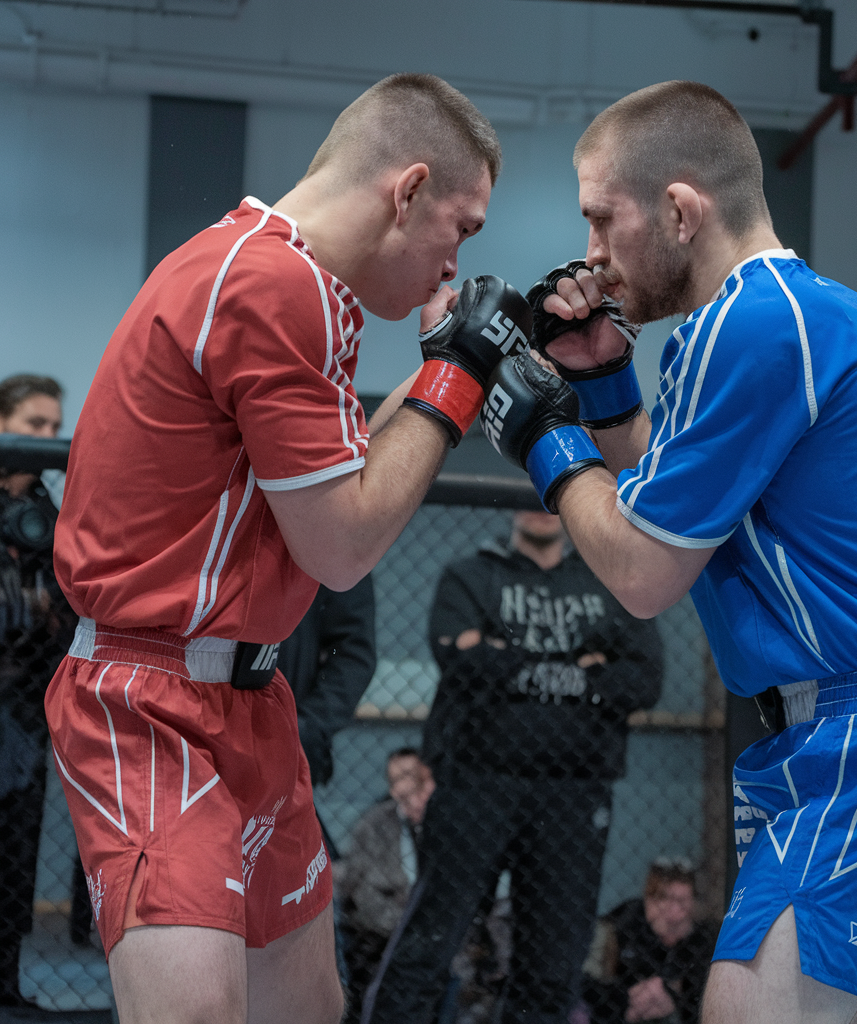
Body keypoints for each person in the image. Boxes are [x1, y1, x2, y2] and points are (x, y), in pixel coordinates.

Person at [482, 81, 857, 1024]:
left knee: (746, 1010)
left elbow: (642, 571)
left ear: (680, 210)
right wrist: (598, 385)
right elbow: (682, 511)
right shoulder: (822, 314)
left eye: (603, 218)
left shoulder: (746, 324)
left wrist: (540, 441)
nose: (592, 252)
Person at [44, 72, 533, 1024]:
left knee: (306, 1012)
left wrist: (445, 368)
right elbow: (343, 546)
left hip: (249, 700)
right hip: (151, 701)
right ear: (407, 190)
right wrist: (459, 377)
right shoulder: (275, 284)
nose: (455, 264)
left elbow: (341, 486)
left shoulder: (294, 283)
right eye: (462, 227)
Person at [365, 510, 664, 1024]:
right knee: (430, 944)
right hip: (475, 784)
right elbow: (459, 658)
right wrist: (583, 668)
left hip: (575, 794)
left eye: (548, 494)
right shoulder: (470, 574)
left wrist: (506, 659)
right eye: (525, 490)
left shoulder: (606, 578)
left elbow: (643, 679)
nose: (538, 505)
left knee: (553, 963)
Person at [0, 374, 76, 1007]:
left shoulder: (52, 519)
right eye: (33, 424)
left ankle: (6, 985)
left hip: (25, 707)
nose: (46, 437)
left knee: (15, 856)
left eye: (54, 426)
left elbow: (70, 615)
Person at [337, 748, 435, 1017]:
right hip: (383, 934)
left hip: (433, 928)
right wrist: (404, 926)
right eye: (398, 782)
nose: (411, 796)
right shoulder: (376, 825)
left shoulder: (445, 825)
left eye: (414, 781)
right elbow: (361, 894)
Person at [583, 858, 717, 1024]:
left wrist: (674, 989)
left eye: (682, 902)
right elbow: (587, 983)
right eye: (665, 899)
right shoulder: (624, 922)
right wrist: (627, 1001)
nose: (674, 911)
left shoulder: (705, 938)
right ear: (649, 899)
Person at [277, 575, 377, 790]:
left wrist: (305, 727)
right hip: (203, 720)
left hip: (288, 736)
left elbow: (349, 652)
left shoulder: (333, 550)